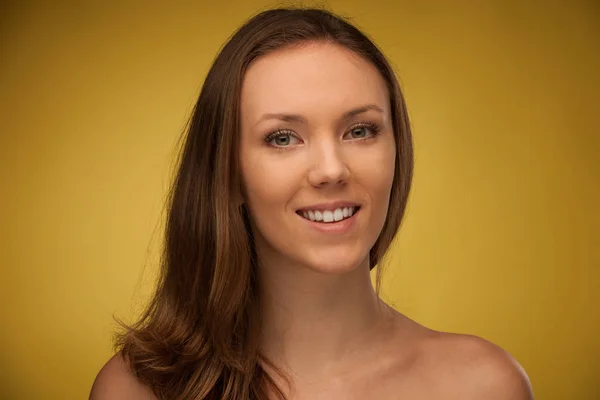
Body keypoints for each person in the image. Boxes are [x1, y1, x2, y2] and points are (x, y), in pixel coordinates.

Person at [90, 7, 534, 400]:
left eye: (360, 130)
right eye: (283, 138)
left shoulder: (484, 386)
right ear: (228, 172)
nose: (331, 170)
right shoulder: (135, 390)